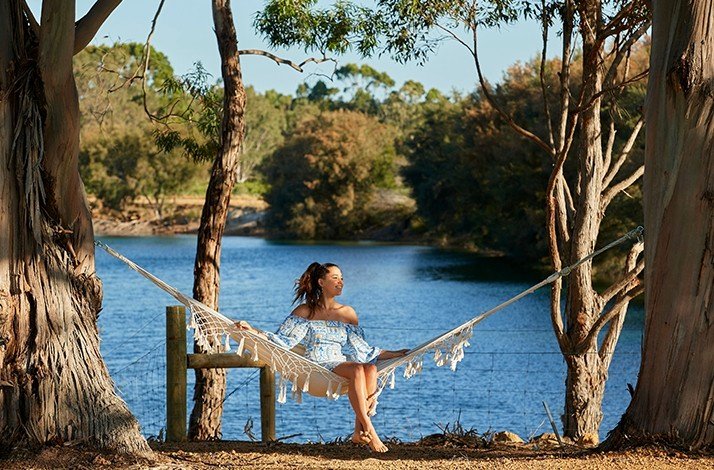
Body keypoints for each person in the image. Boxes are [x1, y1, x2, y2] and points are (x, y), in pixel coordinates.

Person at [235, 262, 408, 452]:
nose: (340, 282)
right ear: (321, 282)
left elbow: (364, 350)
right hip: (316, 366)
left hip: (339, 362)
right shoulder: (305, 311)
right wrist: (252, 331)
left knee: (371, 368)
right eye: (335, 278)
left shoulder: (348, 313)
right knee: (358, 369)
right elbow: (281, 340)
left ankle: (358, 432)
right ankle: (370, 431)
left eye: (342, 278)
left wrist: (397, 353)